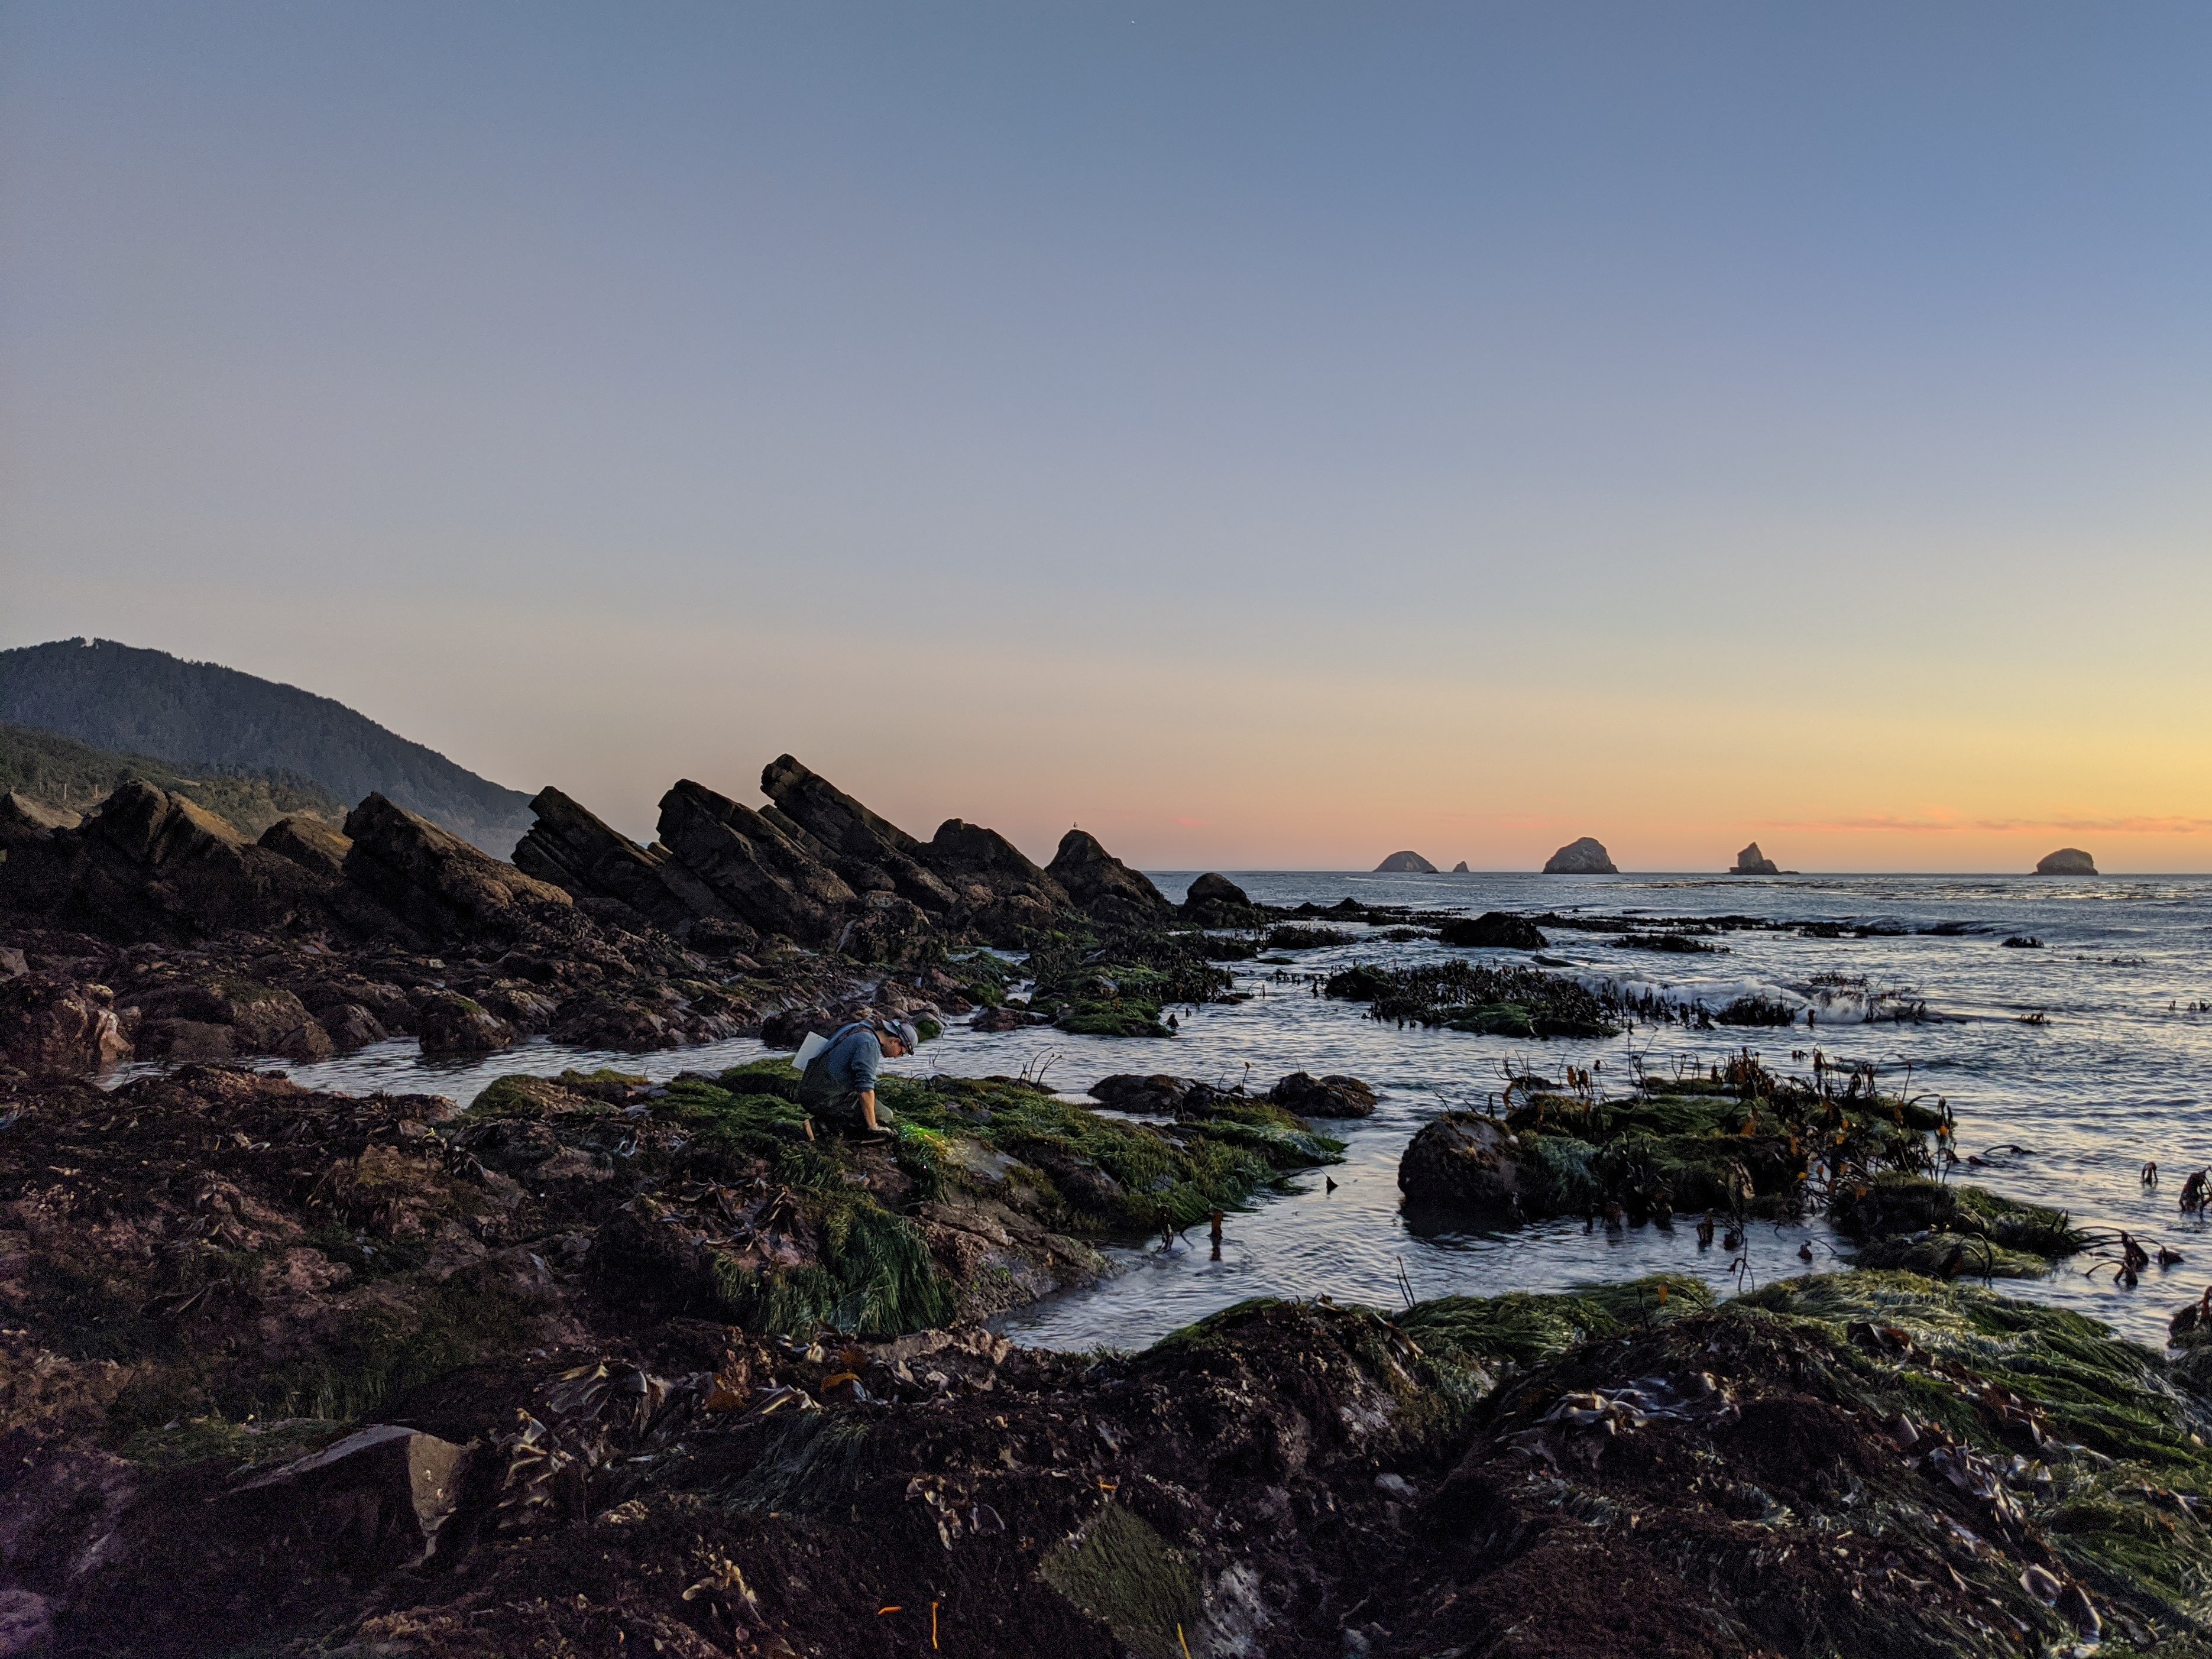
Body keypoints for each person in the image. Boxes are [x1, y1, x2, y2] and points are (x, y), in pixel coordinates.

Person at [797, 1017, 918, 1138]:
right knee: (885, 1116)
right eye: (902, 1052)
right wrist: (873, 1126)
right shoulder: (869, 1044)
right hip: (823, 1097)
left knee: (868, 1106)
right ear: (895, 1041)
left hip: (808, 1088)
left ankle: (825, 1124)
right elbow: (865, 1089)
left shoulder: (857, 1028)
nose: (897, 1057)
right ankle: (819, 1127)